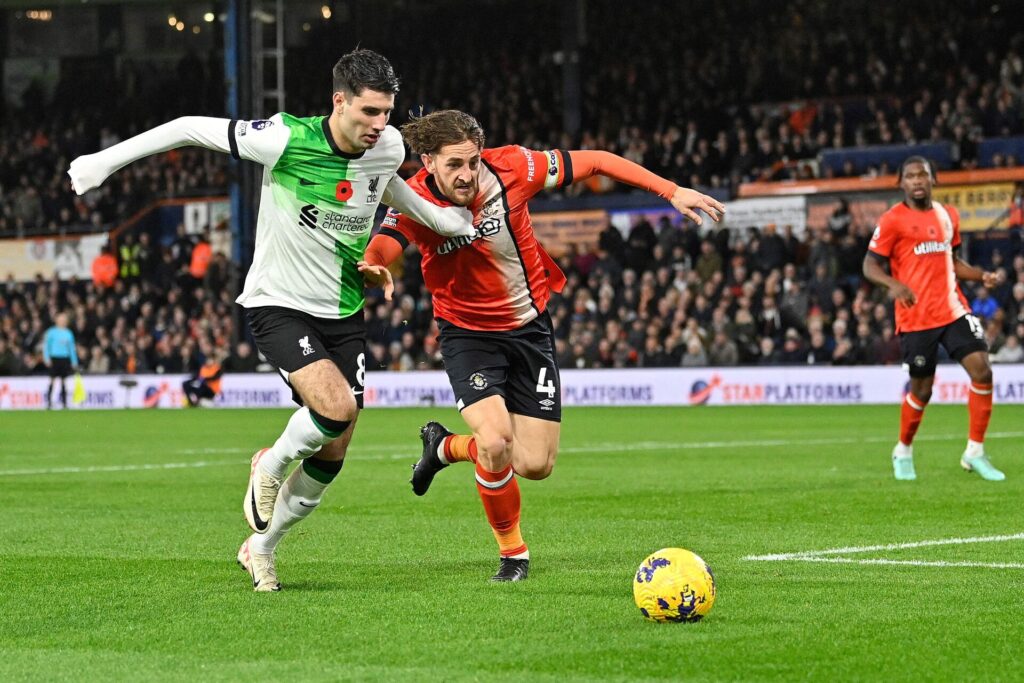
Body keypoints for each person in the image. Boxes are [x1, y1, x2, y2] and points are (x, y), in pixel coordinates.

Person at [69, 49, 475, 592]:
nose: (381, 125)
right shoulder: (285, 139)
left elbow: (387, 187)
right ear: (339, 101)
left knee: (335, 448)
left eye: (387, 112)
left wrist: (439, 219)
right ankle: (269, 462)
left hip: (344, 309)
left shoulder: (390, 146)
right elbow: (189, 127)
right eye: (370, 112)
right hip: (278, 303)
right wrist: (103, 162)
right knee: (336, 407)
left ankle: (261, 547)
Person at [362, 110, 724, 581]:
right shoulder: (414, 199)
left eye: (472, 161)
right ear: (427, 161)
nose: (467, 174)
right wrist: (375, 263)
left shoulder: (514, 167)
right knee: (495, 442)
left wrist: (671, 191)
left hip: (530, 330)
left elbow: (594, 161)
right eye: (454, 164)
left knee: (534, 464)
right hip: (468, 336)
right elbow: (386, 243)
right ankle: (513, 554)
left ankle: (445, 447)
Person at [862, 156, 1005, 482]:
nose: (917, 181)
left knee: (982, 371)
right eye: (910, 176)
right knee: (922, 390)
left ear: (933, 179)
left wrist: (980, 275)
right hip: (915, 316)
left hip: (953, 309)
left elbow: (951, 260)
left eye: (922, 175)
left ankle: (975, 452)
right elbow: (869, 266)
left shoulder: (947, 215)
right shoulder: (892, 220)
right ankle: (903, 449)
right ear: (901, 183)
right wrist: (893, 284)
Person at [43, 311, 79, 409]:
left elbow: (71, 348)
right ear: (57, 320)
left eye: (64, 319)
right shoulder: (51, 332)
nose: (63, 321)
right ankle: (49, 403)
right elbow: (46, 346)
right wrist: (46, 358)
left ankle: (64, 403)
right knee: (52, 380)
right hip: (54, 358)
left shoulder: (69, 333)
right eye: (61, 319)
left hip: (65, 358)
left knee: (64, 381)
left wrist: (74, 361)